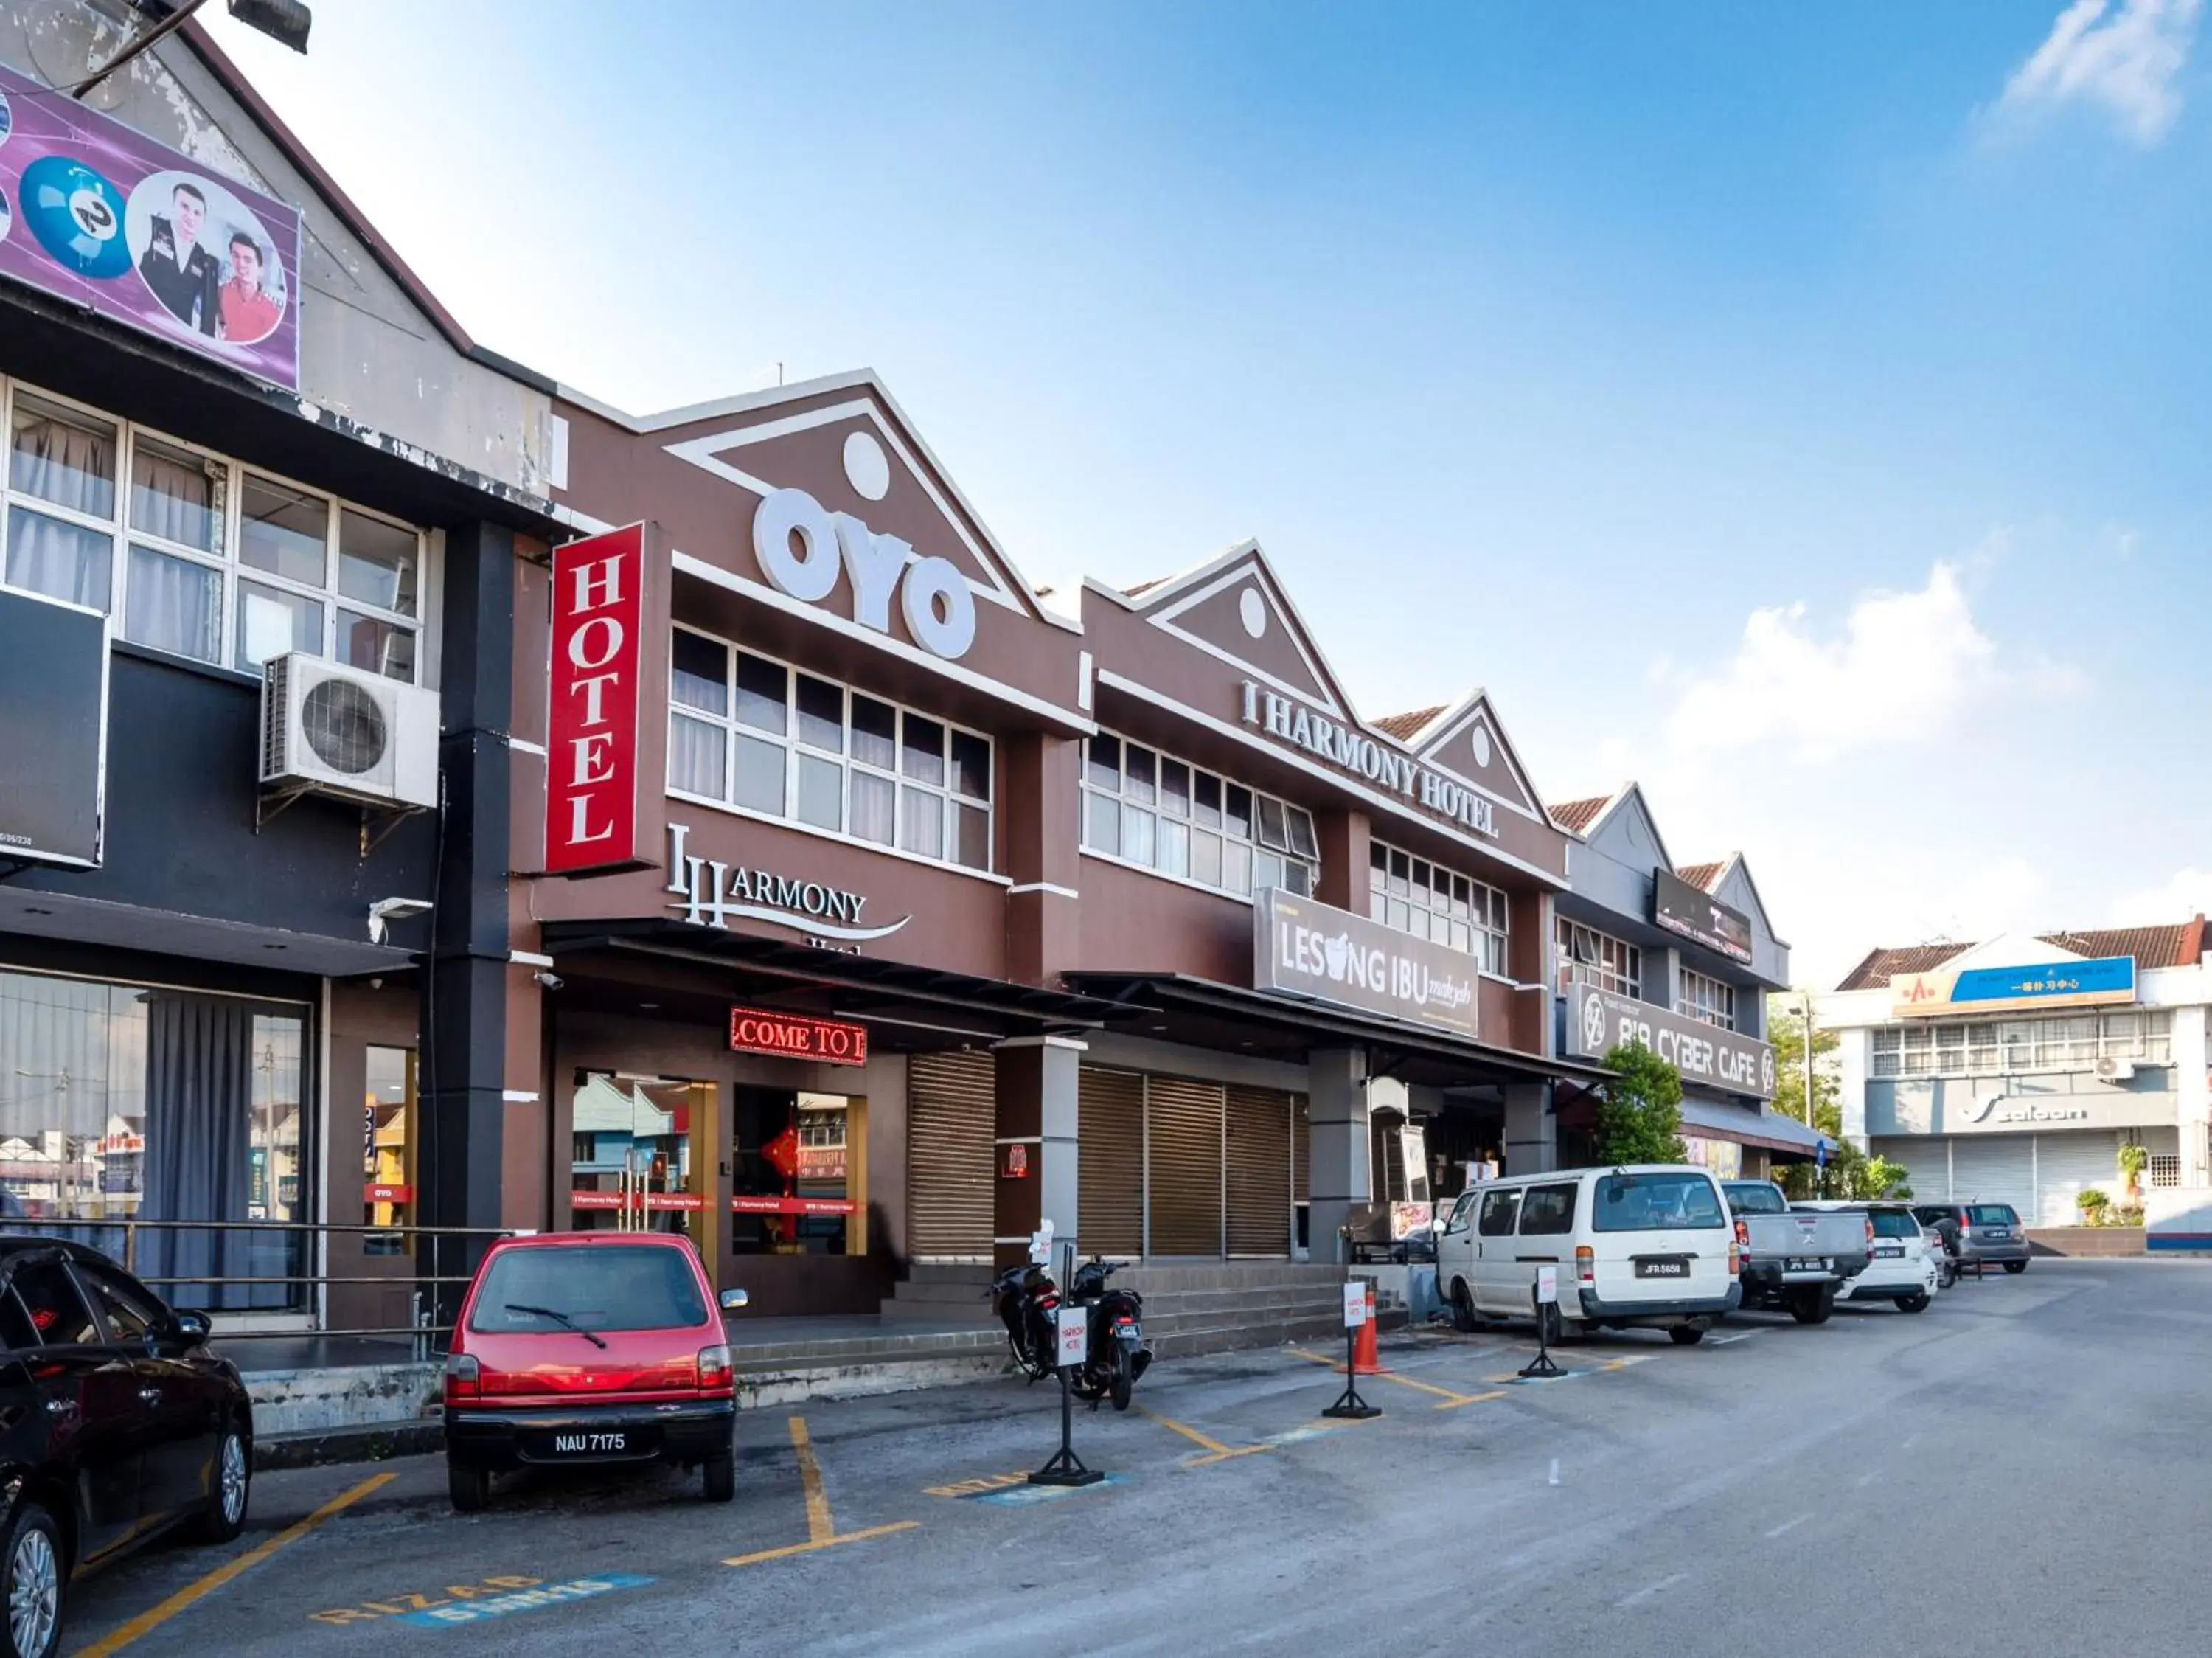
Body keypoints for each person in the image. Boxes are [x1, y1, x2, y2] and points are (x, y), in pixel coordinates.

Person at [138, 180, 218, 334]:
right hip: (141, 322)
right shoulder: (151, 227)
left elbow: (205, 312)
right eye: (185, 207)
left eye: (197, 213)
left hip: (176, 338)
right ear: (173, 206)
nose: (190, 216)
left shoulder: (204, 259)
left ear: (203, 220)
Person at [218, 231, 280, 343]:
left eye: (248, 260)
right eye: (236, 256)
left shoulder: (272, 312)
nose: (241, 264)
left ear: (260, 268)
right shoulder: (222, 291)